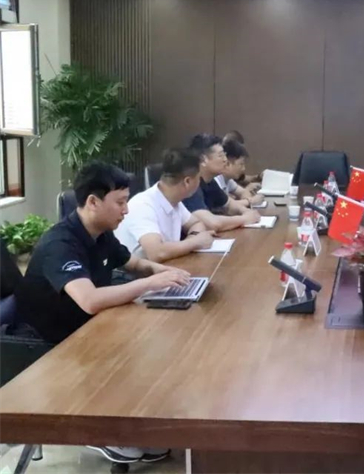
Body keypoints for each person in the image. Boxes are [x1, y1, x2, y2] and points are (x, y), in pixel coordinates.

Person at [14, 163, 190, 464]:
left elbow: (133, 263)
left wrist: (164, 272)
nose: (126, 210)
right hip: (50, 342)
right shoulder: (61, 244)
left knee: (159, 338)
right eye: (120, 202)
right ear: (93, 202)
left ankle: (133, 426)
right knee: (144, 344)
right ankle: (98, 429)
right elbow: (89, 300)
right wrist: (149, 284)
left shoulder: (100, 233)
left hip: (87, 326)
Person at [115, 148, 216, 262]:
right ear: (187, 181)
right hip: (135, 272)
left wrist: (193, 238)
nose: (199, 183)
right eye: (198, 178)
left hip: (167, 267)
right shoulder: (143, 205)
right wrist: (195, 242)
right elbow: (157, 253)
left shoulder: (174, 200)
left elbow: (196, 223)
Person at [182, 133, 260, 231]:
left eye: (225, 155)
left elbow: (229, 205)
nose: (225, 160)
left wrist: (246, 212)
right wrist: (244, 219)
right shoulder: (190, 183)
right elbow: (212, 223)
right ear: (203, 160)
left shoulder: (209, 181)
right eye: (221, 155)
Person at [216, 139, 265, 210]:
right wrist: (251, 201)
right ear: (227, 163)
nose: (243, 169)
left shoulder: (228, 180)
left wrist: (247, 194)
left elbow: (242, 192)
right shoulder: (216, 181)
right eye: (241, 164)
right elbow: (226, 207)